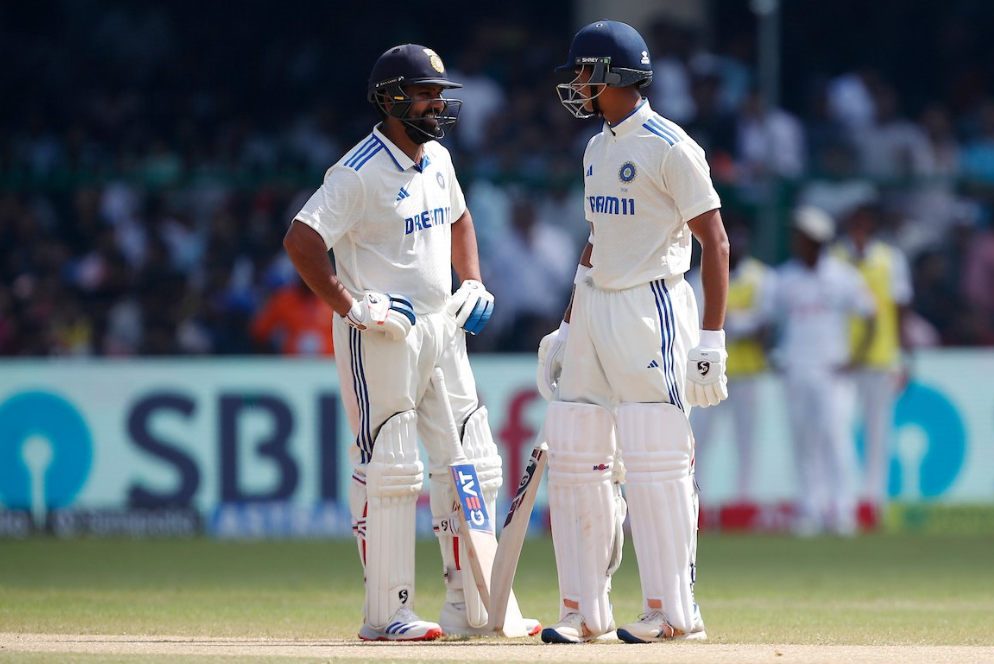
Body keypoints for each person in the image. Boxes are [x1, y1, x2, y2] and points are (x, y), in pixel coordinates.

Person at [283, 43, 538, 641]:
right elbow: (301, 240)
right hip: (382, 333)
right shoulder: (355, 171)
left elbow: (460, 219)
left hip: (441, 328)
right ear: (390, 98)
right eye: (424, 93)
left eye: (439, 94)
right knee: (392, 467)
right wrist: (352, 305)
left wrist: (471, 280)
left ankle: (473, 603)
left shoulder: (439, 159)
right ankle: (387, 613)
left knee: (472, 460)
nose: (436, 104)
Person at [536, 20, 730, 644]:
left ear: (612, 76)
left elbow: (716, 243)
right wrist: (567, 325)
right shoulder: (596, 147)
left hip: (652, 305)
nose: (577, 85)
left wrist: (712, 342)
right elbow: (596, 240)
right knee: (572, 453)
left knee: (654, 459)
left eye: (584, 73)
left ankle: (673, 612)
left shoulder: (671, 147)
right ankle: (583, 611)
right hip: (595, 307)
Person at [763, 207, 876, 537]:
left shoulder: (843, 276)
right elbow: (769, 322)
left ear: (817, 241)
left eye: (801, 236)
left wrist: (857, 358)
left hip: (832, 370)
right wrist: (771, 354)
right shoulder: (783, 278)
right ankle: (810, 509)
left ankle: (843, 511)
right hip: (796, 367)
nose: (796, 242)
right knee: (802, 439)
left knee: (835, 437)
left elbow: (871, 315)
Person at [829, 203, 913, 523]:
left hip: (879, 358)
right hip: (842, 360)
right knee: (839, 433)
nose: (861, 227)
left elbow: (900, 307)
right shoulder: (835, 257)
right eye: (856, 221)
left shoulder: (891, 259)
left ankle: (873, 502)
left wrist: (902, 354)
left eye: (867, 221)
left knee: (878, 434)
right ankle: (844, 502)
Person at [690, 220, 775, 504]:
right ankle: (694, 498)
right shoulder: (698, 277)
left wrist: (733, 324)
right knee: (701, 439)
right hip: (708, 373)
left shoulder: (761, 278)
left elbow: (764, 325)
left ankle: (744, 501)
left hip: (747, 372)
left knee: (746, 442)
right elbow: (698, 323)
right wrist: (738, 324)